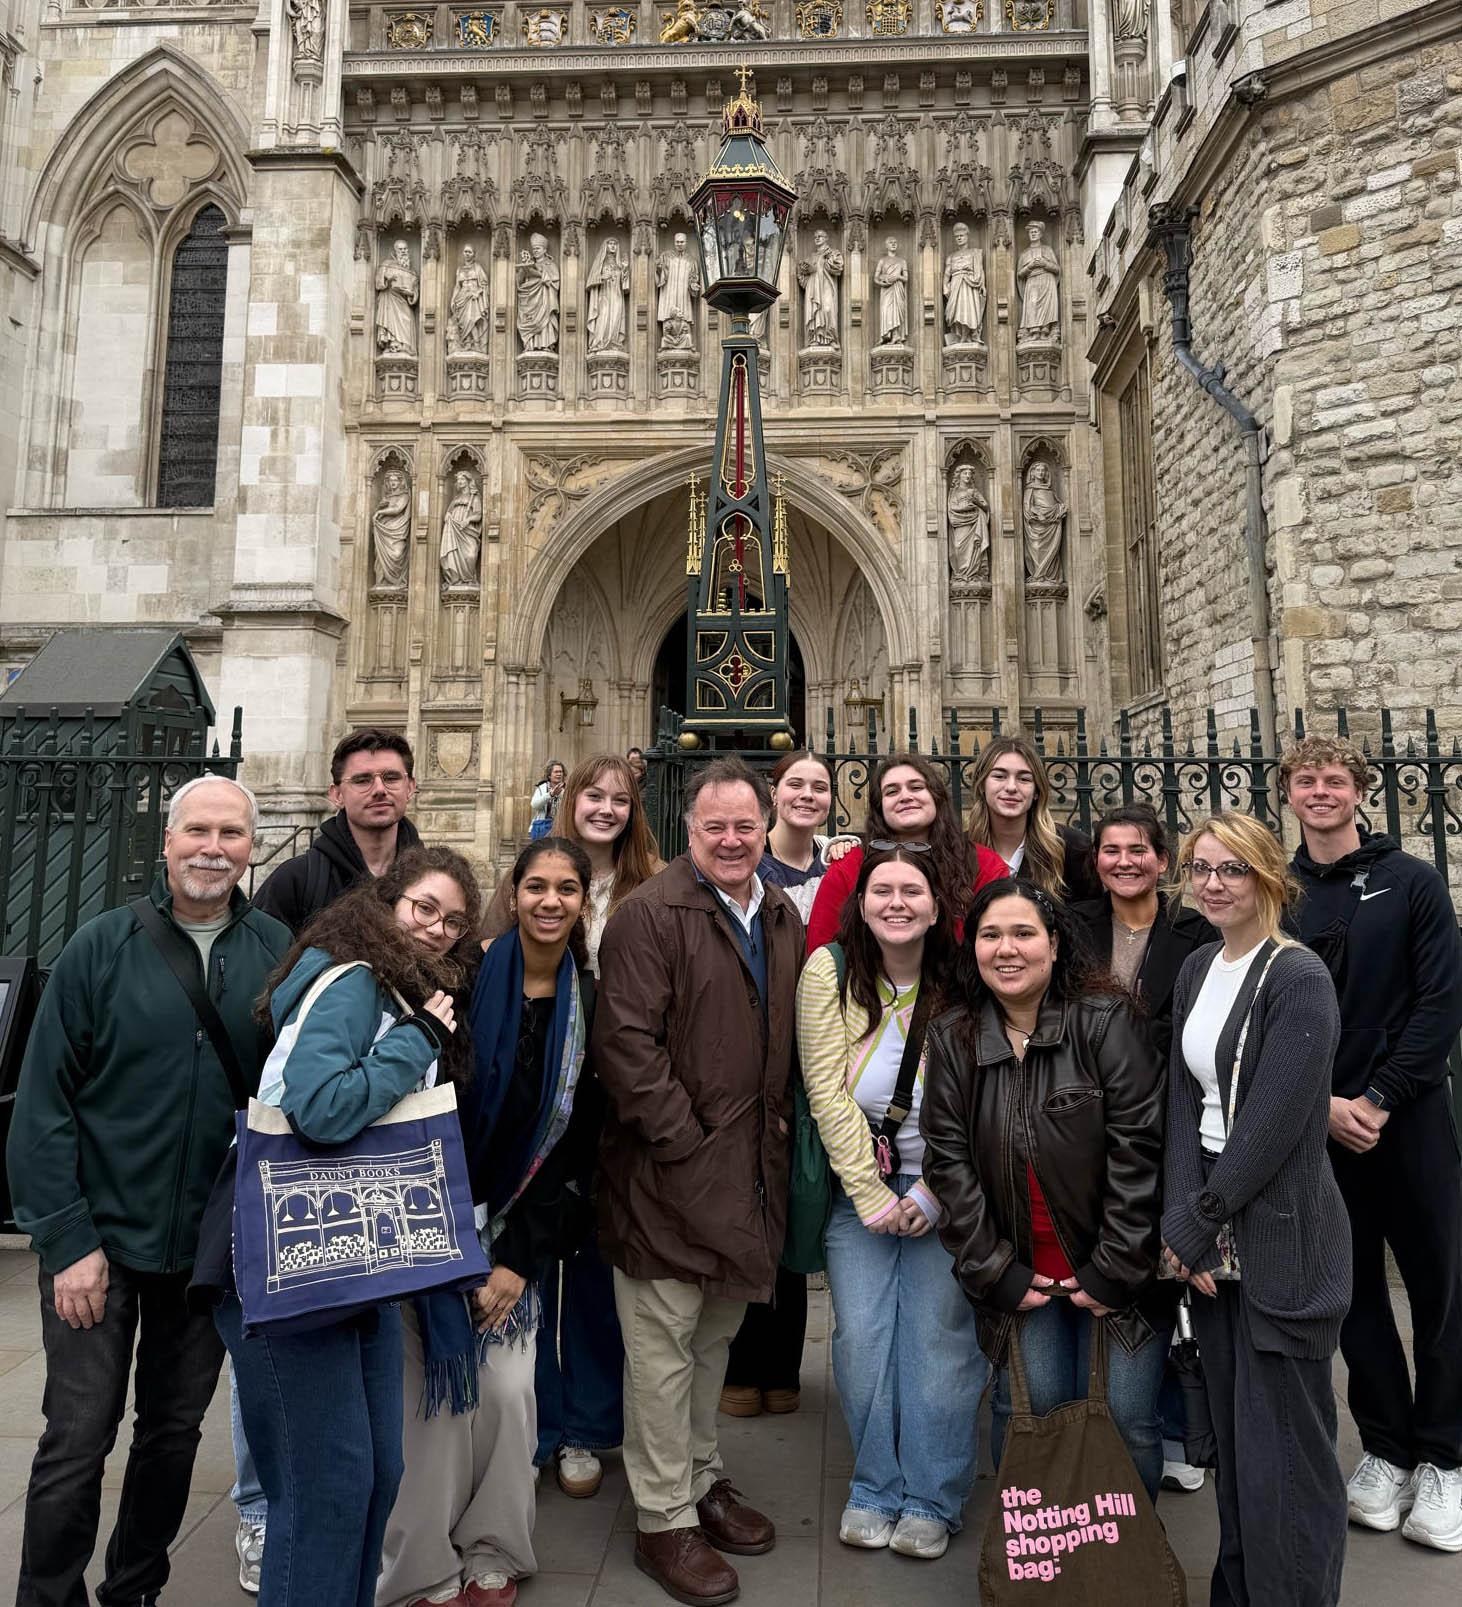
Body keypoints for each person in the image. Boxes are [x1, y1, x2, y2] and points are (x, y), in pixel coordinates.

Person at [8, 775, 290, 1607]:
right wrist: (68, 1243)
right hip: (99, 1240)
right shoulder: (101, 946)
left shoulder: (279, 950)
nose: (213, 847)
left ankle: (133, 1589)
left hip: (210, 1251)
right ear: (165, 843)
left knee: (171, 1436)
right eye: (197, 830)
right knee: (76, 1437)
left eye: (231, 833)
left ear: (249, 847)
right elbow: (44, 1103)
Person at [216, 847, 481, 1607]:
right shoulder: (357, 978)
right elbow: (320, 1109)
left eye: (454, 921)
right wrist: (418, 1040)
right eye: (424, 908)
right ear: (387, 900)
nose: (437, 929)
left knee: (375, 1475)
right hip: (290, 1250)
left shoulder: (395, 985)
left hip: (354, 1256)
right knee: (327, 1487)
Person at [593, 757, 803, 1607]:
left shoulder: (781, 912)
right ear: (689, 830)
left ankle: (701, 1474)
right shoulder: (650, 914)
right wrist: (684, 1138)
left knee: (711, 1339)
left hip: (745, 1172)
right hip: (668, 1177)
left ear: (765, 828)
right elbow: (626, 1048)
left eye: (744, 826)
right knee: (661, 1353)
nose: (730, 839)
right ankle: (662, 1516)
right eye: (714, 826)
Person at [380, 840, 597, 1607]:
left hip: (514, 1232)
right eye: (535, 884)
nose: (550, 900)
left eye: (567, 887)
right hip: (429, 1222)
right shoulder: (462, 979)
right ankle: (420, 1565)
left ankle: (495, 1547)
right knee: (435, 1402)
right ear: (513, 891)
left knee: (507, 1394)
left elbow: (576, 1147)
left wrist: (516, 1260)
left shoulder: (587, 999)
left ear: (583, 900)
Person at [921, 877, 1169, 1500]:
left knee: (1129, 1422)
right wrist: (994, 1271)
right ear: (972, 949)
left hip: (1114, 1271)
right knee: (1029, 1416)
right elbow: (948, 1164)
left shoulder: (1104, 1021)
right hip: (1021, 1272)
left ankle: (1123, 1561)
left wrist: (1115, 1268)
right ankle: (1038, 1564)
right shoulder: (955, 1037)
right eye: (990, 935)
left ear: (1055, 946)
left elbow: (1140, 1149)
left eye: (1024, 933)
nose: (1007, 949)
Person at [1161, 812, 1349, 1607]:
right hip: (1209, 1216)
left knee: (1288, 1457)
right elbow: (1181, 1102)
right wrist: (1183, 1223)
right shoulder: (1199, 967)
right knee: (1237, 1451)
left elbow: (1273, 1124)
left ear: (1270, 876)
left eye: (1232, 869)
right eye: (1200, 868)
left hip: (1278, 1228)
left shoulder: (1298, 977)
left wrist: (1198, 1219)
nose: (1212, 883)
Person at [1283, 737, 1462, 1550]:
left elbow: (1440, 1001)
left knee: (1441, 1287)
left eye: (1335, 780)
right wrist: (1321, 1104)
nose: (1321, 792)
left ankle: (1446, 1459)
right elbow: (1264, 1016)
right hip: (1320, 1126)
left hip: (1409, 1118)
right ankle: (1387, 1449)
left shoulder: (1413, 881)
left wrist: (1381, 1095)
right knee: (1351, 1295)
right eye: (1306, 779)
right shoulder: (1277, 893)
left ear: (1358, 792)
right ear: (1288, 793)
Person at [798, 847, 990, 1559]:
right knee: (860, 1340)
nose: (898, 902)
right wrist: (873, 1193)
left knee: (941, 1342)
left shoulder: (965, 980)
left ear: (939, 907)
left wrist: (935, 1189)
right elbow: (825, 1087)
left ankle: (932, 1496)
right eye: (883, 889)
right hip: (863, 1196)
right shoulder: (829, 971)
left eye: (913, 890)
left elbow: (981, 1096)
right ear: (861, 902)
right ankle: (875, 1483)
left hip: (950, 1188)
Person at [486, 755, 664, 1497]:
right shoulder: (530, 875)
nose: (605, 807)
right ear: (568, 799)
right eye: (593, 794)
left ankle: (590, 1427)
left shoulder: (652, 885)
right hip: (540, 1107)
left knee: (595, 1275)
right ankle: (540, 1422)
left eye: (619, 798)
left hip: (613, 1107)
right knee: (529, 1276)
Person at [719, 750, 835, 1421]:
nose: (807, 795)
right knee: (745, 1208)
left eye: (819, 785)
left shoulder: (845, 867)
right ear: (774, 792)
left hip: (814, 1056)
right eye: (796, 783)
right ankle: (740, 1359)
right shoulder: (746, 865)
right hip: (750, 1051)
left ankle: (783, 1362)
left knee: (795, 1208)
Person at [805, 753, 1006, 951]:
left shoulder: (983, 864)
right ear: (879, 806)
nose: (905, 797)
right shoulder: (851, 866)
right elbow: (822, 948)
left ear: (936, 797)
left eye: (916, 787)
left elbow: (1000, 938)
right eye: (891, 792)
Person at [1068, 803, 1216, 1061]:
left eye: (1137, 851)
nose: (1124, 862)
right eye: (1111, 851)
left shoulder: (1197, 934)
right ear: (1096, 860)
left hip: (1163, 1080)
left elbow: (1194, 1022)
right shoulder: (1073, 926)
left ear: (1162, 861)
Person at [253, 729, 423, 934]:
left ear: (410, 788)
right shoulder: (294, 881)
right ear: (337, 795)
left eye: (391, 777)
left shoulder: (433, 878)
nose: (379, 789)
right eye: (362, 780)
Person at [965, 735, 1099, 902]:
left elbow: (1089, 917)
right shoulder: (960, 851)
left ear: (1036, 791)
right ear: (982, 784)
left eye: (1024, 779)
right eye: (999, 776)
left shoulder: (1073, 848)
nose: (1011, 787)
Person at [530, 760, 566, 839]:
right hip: (542, 828)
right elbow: (534, 805)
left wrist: (560, 794)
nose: (559, 774)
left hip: (560, 828)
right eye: (556, 772)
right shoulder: (541, 788)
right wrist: (550, 795)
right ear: (549, 775)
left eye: (561, 772)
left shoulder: (567, 789)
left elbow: (571, 805)